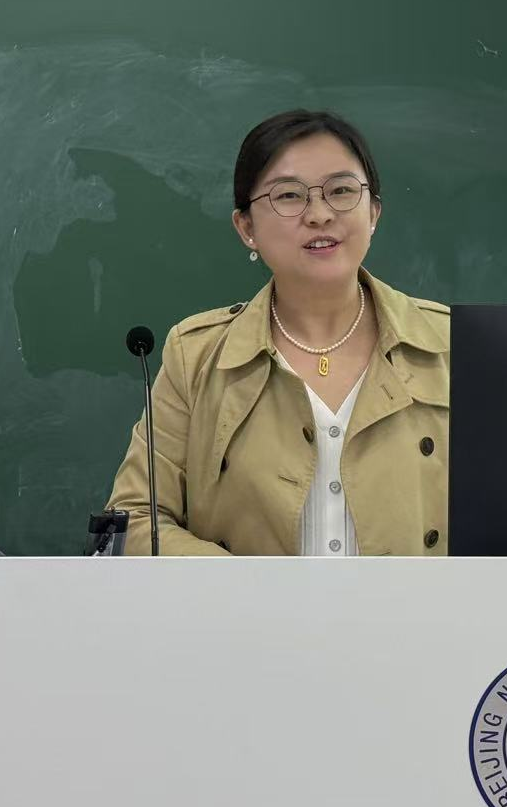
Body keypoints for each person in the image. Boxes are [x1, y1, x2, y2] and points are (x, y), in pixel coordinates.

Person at [107, 110, 450, 556]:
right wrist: (246, 586)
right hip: (240, 605)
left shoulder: (451, 346)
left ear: (374, 212)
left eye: (341, 190)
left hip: (413, 605)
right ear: (246, 227)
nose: (320, 215)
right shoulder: (197, 356)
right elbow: (135, 518)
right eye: (289, 195)